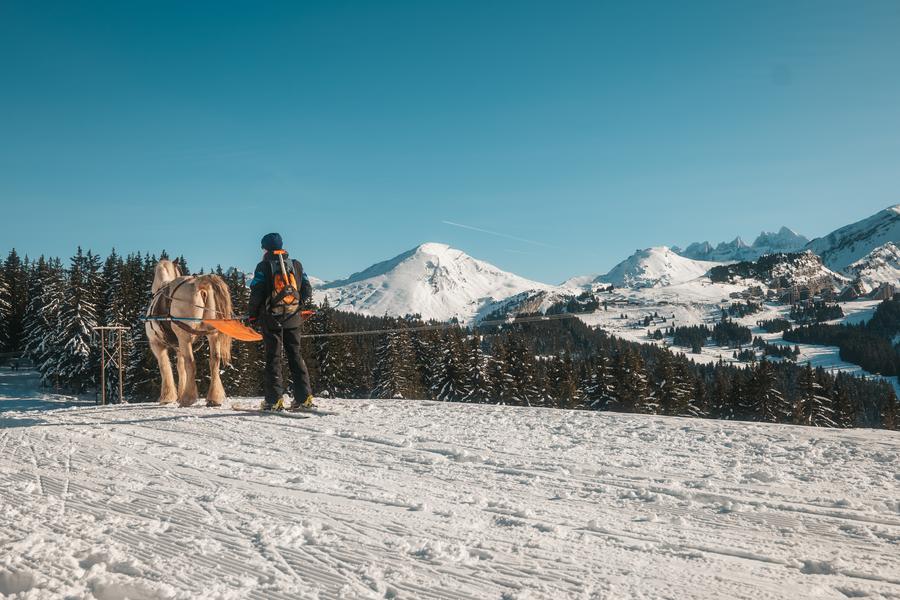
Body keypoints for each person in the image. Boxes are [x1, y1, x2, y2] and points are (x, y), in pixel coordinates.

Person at [248, 232, 315, 411]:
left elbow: (256, 293)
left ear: (265, 248)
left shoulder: (263, 266)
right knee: (296, 356)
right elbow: (307, 290)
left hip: (271, 319)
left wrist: (252, 315)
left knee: (273, 358)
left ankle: (274, 400)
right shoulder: (296, 265)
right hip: (294, 318)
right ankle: (304, 398)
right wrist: (297, 306)